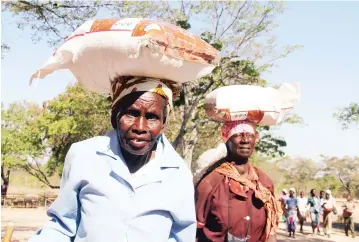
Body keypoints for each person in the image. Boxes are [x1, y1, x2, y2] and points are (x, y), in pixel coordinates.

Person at [28, 76, 196, 242]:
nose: (140, 127)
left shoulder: (178, 174)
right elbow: (63, 226)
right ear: (114, 117)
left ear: (163, 124)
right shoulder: (84, 156)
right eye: (131, 114)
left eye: (152, 117)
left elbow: (182, 235)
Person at [195, 120, 281, 242]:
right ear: (227, 139)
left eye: (250, 135)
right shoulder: (211, 183)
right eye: (238, 135)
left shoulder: (264, 183)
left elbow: (271, 230)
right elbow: (193, 229)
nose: (245, 140)